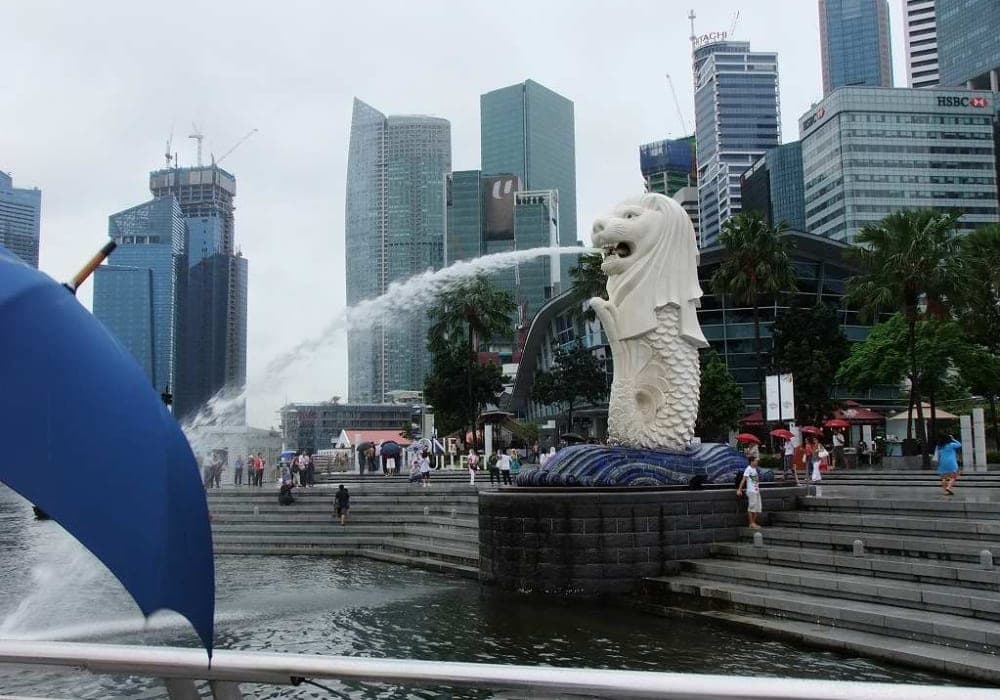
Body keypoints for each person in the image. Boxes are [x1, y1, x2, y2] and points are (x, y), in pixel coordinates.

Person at [736, 456, 762, 529]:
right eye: (755, 461)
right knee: (752, 507)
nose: (757, 462)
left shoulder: (755, 469)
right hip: (751, 491)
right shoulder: (748, 469)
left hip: (756, 491)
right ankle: (751, 523)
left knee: (757, 508)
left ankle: (753, 522)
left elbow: (755, 480)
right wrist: (739, 489)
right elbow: (743, 479)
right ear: (752, 462)